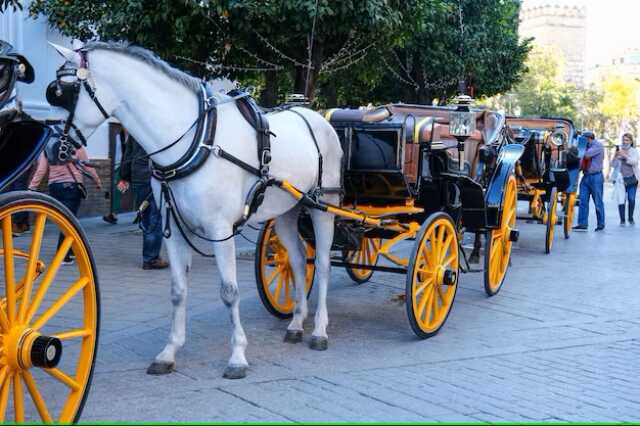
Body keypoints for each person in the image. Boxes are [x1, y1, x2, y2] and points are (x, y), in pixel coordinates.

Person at [29, 140, 102, 264]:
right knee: (69, 222)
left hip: (54, 188)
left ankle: (70, 251)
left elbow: (41, 170)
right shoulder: (77, 146)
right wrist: (97, 181)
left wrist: (32, 188)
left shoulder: (48, 147)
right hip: (72, 188)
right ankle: (63, 255)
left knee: (65, 220)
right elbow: (87, 166)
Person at [118, 131, 168, 270]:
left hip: (138, 177)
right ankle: (151, 258)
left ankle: (150, 256)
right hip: (151, 176)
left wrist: (125, 176)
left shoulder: (135, 131)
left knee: (146, 217)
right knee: (154, 218)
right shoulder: (154, 128)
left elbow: (128, 155)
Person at [573, 131, 606, 232]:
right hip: (586, 175)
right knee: (583, 201)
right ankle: (582, 223)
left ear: (588, 138)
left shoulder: (598, 145)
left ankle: (601, 224)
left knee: (598, 201)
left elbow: (586, 155)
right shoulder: (586, 145)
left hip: (596, 177)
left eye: (583, 139)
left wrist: (579, 147)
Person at [611, 133, 640, 225]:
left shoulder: (634, 151)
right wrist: (615, 156)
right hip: (620, 179)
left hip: (632, 179)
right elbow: (613, 165)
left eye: (627, 140)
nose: (624, 142)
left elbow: (634, 162)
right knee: (621, 199)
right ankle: (622, 220)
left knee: (631, 199)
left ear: (631, 141)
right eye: (623, 140)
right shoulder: (619, 151)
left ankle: (630, 218)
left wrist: (625, 155)